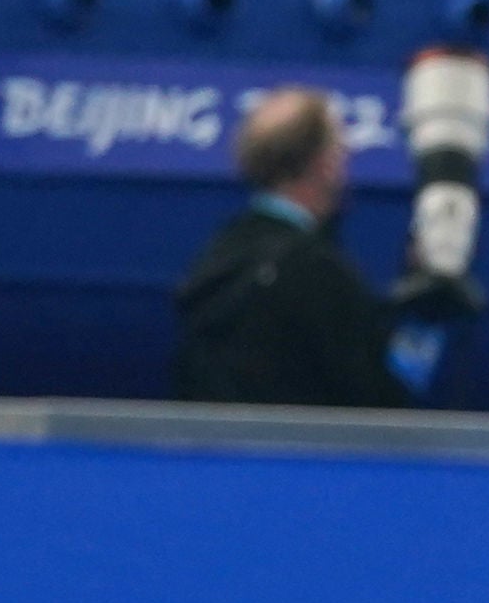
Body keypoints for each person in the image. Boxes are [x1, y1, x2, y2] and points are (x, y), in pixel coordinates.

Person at [174, 86, 463, 408]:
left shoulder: (216, 258)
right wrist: (425, 325)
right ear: (322, 163)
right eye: (339, 151)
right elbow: (381, 402)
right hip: (297, 453)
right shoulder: (315, 272)